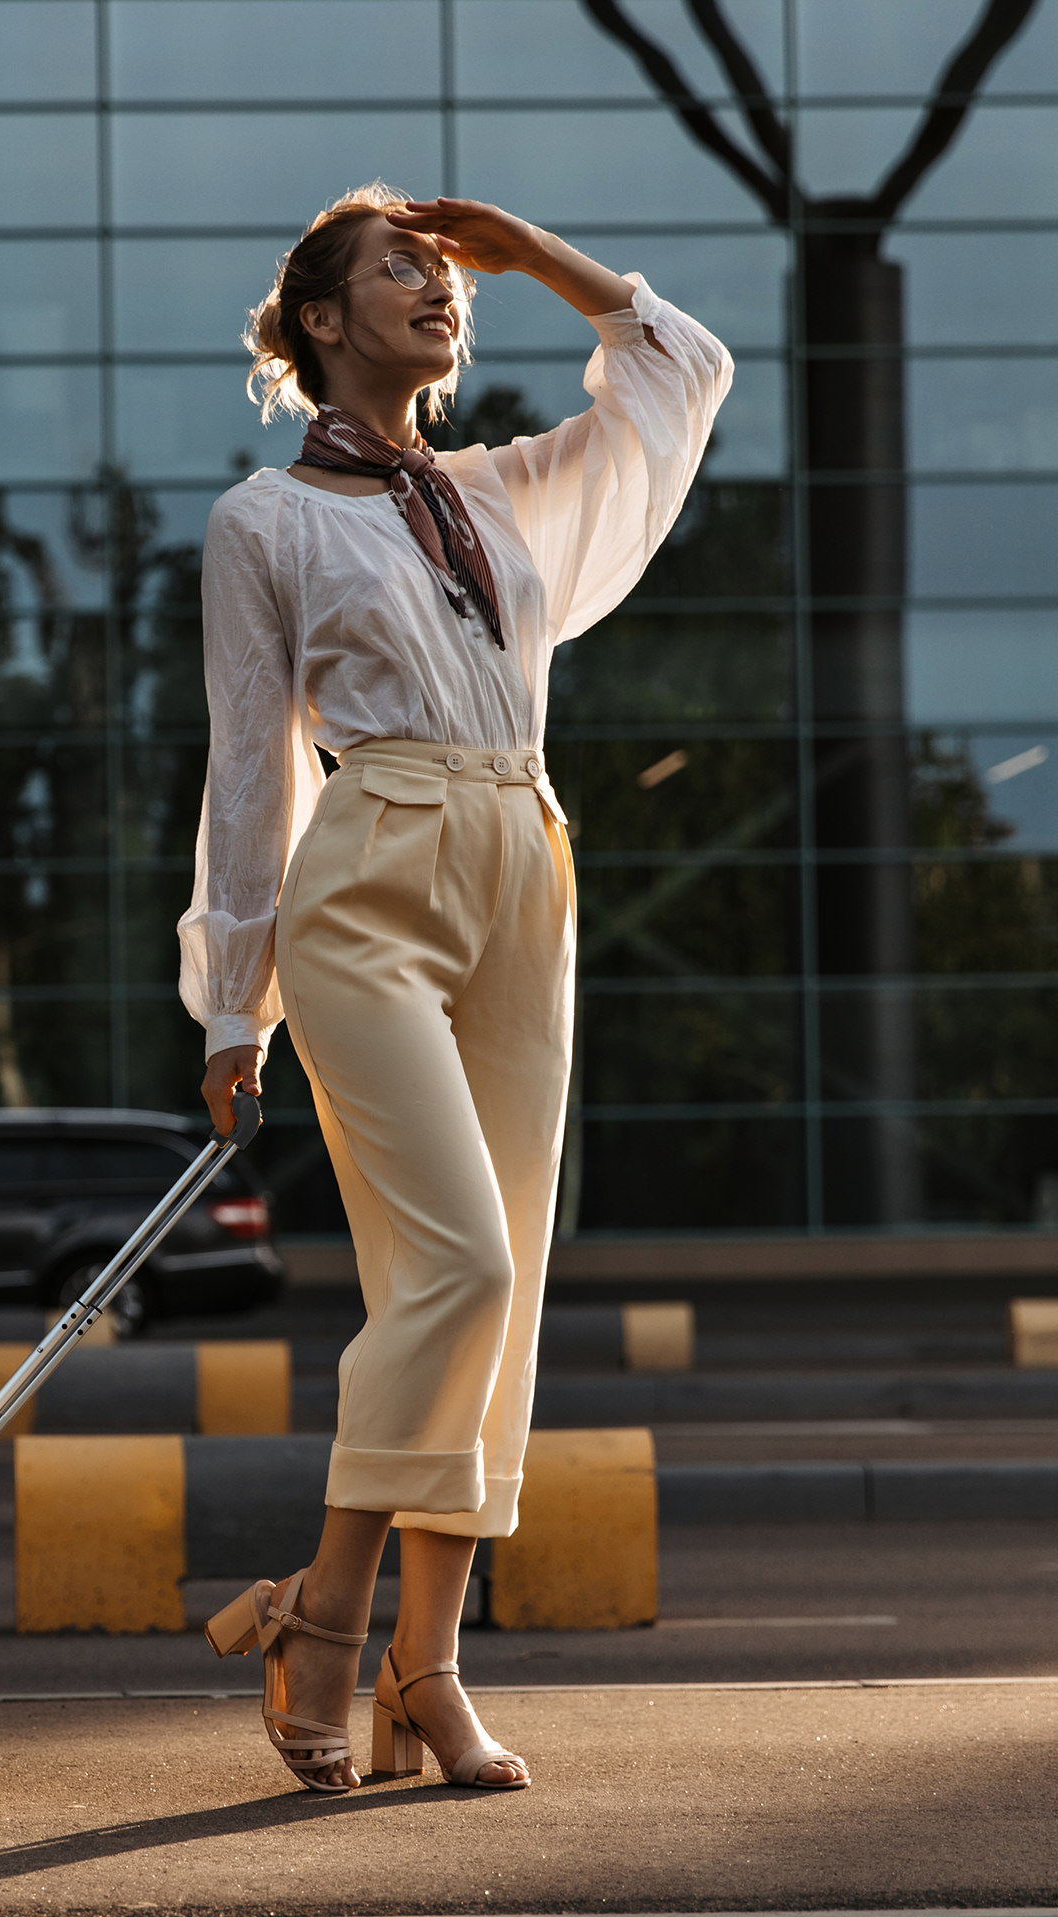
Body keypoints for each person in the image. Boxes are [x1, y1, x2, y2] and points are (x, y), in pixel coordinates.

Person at [184, 183, 731, 1793]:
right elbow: (245, 762)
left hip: (524, 856)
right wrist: (233, 1000)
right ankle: (334, 1621)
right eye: (401, 272)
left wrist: (533, 249)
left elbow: (680, 363)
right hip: (368, 876)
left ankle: (430, 1669)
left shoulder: (506, 495)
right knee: (461, 1271)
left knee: (510, 1300)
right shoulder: (266, 521)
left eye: (446, 274)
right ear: (321, 322)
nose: (440, 290)